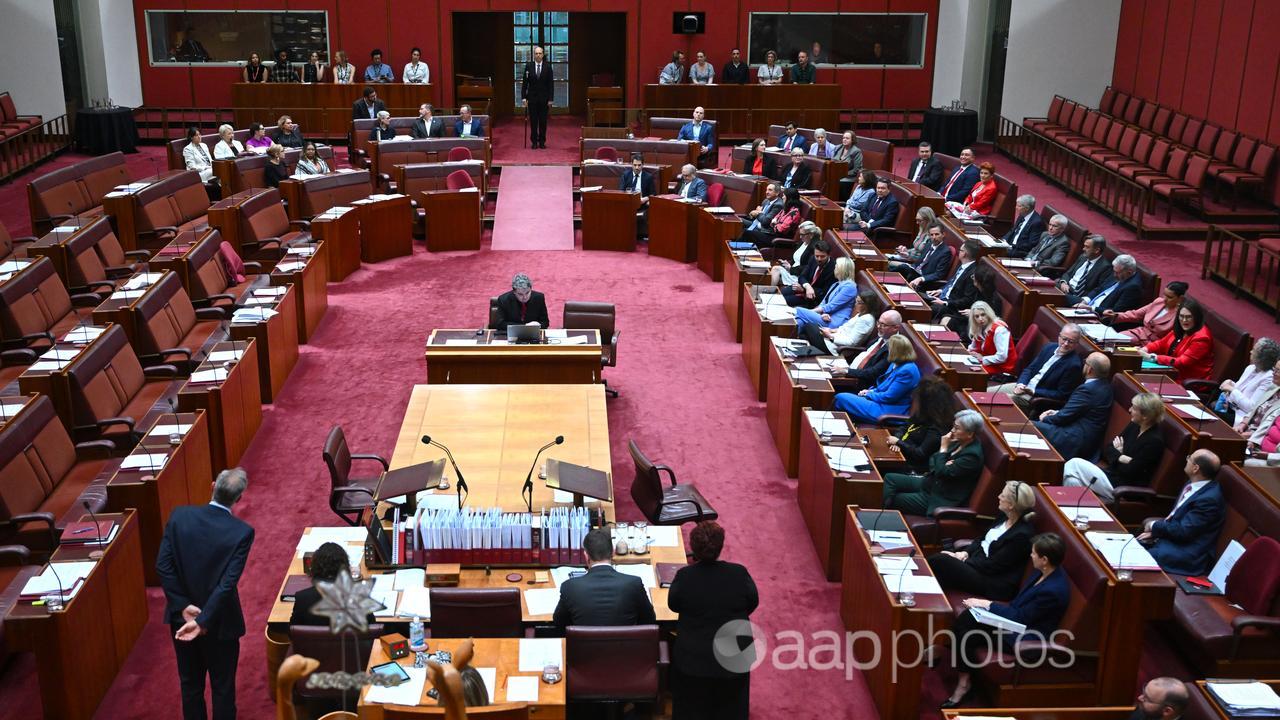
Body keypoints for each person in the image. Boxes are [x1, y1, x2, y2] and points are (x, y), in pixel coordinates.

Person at [156, 467, 255, 720]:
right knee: (222, 688)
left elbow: (163, 566)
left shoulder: (179, 516)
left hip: (182, 620)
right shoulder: (241, 532)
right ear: (239, 499)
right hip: (219, 623)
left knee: (190, 686)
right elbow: (226, 584)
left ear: (212, 486)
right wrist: (203, 620)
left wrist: (182, 607)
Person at [939, 533, 1069, 709]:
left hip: (1024, 636)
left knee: (968, 629)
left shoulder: (1053, 591)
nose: (1030, 556)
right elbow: (1018, 607)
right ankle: (964, 678)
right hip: (1015, 622)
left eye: (1033, 553)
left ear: (1044, 559)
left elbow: (1021, 617)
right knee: (967, 619)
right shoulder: (1043, 571)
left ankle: (963, 683)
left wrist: (988, 605)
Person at [668, 522, 758, 720]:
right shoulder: (739, 573)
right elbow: (752, 602)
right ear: (720, 546)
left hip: (693, 660)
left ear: (693, 548)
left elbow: (673, 605)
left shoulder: (685, 576)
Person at [929, 481, 1037, 600]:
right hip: (977, 563)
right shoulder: (1004, 516)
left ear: (1011, 505)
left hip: (991, 580)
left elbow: (993, 565)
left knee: (940, 560)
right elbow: (982, 538)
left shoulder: (1022, 535)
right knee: (941, 574)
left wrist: (964, 560)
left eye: (1002, 495)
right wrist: (965, 552)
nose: (998, 496)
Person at [1063, 393, 1166, 502]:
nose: (1130, 410)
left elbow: (1131, 471)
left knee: (1074, 463)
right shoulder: (1135, 425)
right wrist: (1121, 457)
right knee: (1072, 481)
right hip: (1111, 475)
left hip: (1124, 487)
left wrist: (1117, 456)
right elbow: (1109, 448)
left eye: (1134, 408)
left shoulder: (1154, 441)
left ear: (1145, 415)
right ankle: (1070, 512)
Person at [553, 527, 657, 633]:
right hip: (625, 648)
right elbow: (649, 620)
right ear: (613, 552)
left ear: (586, 556)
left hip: (585, 648)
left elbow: (559, 624)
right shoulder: (634, 583)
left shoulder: (569, 587)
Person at [1140, 450, 1225, 576]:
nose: (1187, 460)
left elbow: (1184, 532)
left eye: (1189, 458)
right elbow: (1176, 519)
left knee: (1135, 558)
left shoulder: (1209, 500)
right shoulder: (1193, 484)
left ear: (1196, 468)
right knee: (1129, 544)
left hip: (1186, 553)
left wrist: (1154, 526)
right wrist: (1157, 531)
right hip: (1171, 539)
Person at [882, 410, 985, 515]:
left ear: (970, 433)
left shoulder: (972, 456)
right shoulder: (958, 441)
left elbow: (942, 472)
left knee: (894, 498)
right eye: (953, 426)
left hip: (937, 497)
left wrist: (943, 449)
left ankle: (880, 518)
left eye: (957, 428)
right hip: (930, 482)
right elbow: (933, 458)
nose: (952, 430)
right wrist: (942, 463)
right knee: (889, 478)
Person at [1034, 352, 1114, 459]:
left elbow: (1064, 418)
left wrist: (1046, 418)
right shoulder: (1105, 386)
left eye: (1085, 362)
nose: (1083, 364)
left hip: (1073, 439)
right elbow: (1076, 412)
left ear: (1089, 369)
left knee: (1029, 427)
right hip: (1082, 435)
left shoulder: (1088, 389)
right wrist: (1056, 412)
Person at [832, 335, 921, 423]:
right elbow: (883, 385)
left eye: (889, 349)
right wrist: (870, 391)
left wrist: (869, 395)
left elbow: (889, 397)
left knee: (840, 398)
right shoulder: (896, 363)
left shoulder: (907, 370)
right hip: (880, 401)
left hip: (888, 409)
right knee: (841, 399)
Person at [996, 324, 1084, 412]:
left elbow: (1061, 395)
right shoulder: (1049, 347)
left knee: (996, 400)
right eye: (1064, 339)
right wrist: (1021, 384)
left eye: (1071, 342)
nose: (1065, 344)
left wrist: (1033, 391)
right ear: (1059, 336)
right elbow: (1029, 369)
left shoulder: (1074, 365)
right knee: (985, 393)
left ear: (1077, 344)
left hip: (1035, 396)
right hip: (1024, 386)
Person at [290, 542, 374, 626]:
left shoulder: (302, 599)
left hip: (316, 639)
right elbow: (372, 627)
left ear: (314, 568)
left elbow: (293, 633)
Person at [884, 378, 956, 472]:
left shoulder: (937, 429)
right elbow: (904, 426)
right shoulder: (923, 414)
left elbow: (920, 454)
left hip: (912, 467)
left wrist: (899, 443)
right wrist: (898, 441)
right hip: (899, 455)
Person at [1143, 298, 1214, 383]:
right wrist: (1145, 349)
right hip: (1170, 372)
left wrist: (1152, 357)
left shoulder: (1202, 338)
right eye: (1181, 316)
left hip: (1186, 379)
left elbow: (1182, 362)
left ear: (1197, 317)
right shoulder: (1181, 328)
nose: (1184, 320)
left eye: (1188, 317)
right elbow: (1161, 343)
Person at [1213, 338, 1280, 424]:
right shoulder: (1251, 368)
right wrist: (1230, 383)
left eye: (1254, 350)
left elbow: (1251, 407)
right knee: (1206, 406)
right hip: (1229, 406)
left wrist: (1231, 389)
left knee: (1211, 415)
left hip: (1241, 416)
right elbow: (1240, 391)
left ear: (1262, 357)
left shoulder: (1269, 377)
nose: (1250, 352)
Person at [802, 289, 881, 355]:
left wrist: (830, 336)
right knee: (804, 335)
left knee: (809, 326)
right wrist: (831, 330)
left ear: (867, 305)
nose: (855, 304)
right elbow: (845, 328)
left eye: (859, 302)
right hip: (833, 339)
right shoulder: (861, 314)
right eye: (856, 301)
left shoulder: (866, 320)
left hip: (836, 348)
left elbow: (852, 342)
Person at [1105, 281, 1187, 344]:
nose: (1164, 299)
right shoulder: (1159, 302)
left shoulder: (1181, 315)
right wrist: (1115, 315)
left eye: (1169, 297)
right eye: (1164, 294)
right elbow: (1136, 314)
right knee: (1111, 339)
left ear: (1180, 298)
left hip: (1154, 344)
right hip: (1138, 333)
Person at [842, 311, 903, 389]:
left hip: (860, 382)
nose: (878, 326)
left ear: (895, 328)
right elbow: (866, 352)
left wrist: (846, 371)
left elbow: (873, 373)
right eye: (879, 323)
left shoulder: (894, 348)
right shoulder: (884, 335)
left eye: (883, 325)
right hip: (851, 370)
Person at [795, 257, 858, 332]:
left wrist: (811, 312)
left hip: (833, 321)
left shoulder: (849, 287)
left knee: (797, 311)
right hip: (825, 317)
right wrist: (821, 314)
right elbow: (823, 303)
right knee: (799, 321)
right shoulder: (836, 284)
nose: (834, 268)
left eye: (836, 266)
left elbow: (832, 306)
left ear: (842, 269)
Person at [926, 240, 981, 324]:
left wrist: (945, 303)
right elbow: (951, 283)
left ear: (964, 254)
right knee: (920, 296)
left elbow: (967, 299)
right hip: (942, 297)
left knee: (928, 309)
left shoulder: (972, 274)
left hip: (952, 306)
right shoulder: (962, 265)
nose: (959, 252)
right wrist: (940, 290)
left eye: (961, 250)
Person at [779, 235, 833, 308]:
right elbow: (802, 276)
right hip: (804, 288)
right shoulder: (813, 259)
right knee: (779, 294)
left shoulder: (833, 268)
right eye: (817, 256)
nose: (819, 259)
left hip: (813, 299)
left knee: (782, 301)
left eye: (822, 256)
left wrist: (803, 289)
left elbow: (824, 292)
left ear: (829, 255)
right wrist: (807, 286)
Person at [1056, 235, 1113, 303]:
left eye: (1087, 247)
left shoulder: (1105, 267)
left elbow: (1099, 288)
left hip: (1078, 296)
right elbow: (1068, 273)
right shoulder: (1082, 257)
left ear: (1097, 250)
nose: (1083, 249)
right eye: (1084, 246)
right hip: (1065, 288)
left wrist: (1085, 300)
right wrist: (1063, 283)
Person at [967, 300, 1018, 376]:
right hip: (987, 363)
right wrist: (968, 353)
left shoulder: (1000, 329)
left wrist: (983, 359)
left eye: (983, 315)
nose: (980, 319)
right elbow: (973, 347)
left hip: (1002, 368)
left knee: (969, 373)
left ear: (988, 314)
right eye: (977, 316)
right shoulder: (978, 327)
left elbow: (1002, 357)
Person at [766, 219, 818, 287]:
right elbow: (796, 259)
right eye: (800, 234)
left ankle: (769, 292)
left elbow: (808, 268)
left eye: (802, 235)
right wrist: (788, 264)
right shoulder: (803, 242)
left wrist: (791, 269)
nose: (800, 237)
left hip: (800, 277)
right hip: (792, 271)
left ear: (811, 235)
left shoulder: (814, 248)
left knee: (776, 270)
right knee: (772, 271)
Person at [900, 221, 952, 287]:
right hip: (915, 271)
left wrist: (921, 278)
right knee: (899, 267)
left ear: (943, 234)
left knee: (902, 268)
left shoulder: (945, 252)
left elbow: (939, 274)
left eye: (937, 234)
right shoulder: (928, 245)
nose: (934, 237)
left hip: (924, 280)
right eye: (931, 235)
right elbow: (920, 261)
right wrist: (908, 256)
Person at [521, 46, 553, 149]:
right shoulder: (528, 67)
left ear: (543, 55)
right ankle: (534, 141)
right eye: (536, 53)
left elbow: (551, 84)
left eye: (540, 53)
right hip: (532, 99)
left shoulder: (548, 67)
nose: (538, 55)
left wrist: (551, 99)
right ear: (534, 55)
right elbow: (525, 84)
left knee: (543, 122)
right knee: (534, 121)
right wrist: (524, 98)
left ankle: (542, 141)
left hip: (544, 99)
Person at [620, 154, 656, 238]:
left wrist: (644, 199)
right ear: (631, 164)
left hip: (642, 204)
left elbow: (653, 194)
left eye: (639, 165)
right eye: (635, 165)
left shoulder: (648, 177)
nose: (637, 168)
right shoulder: (625, 175)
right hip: (628, 203)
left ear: (643, 165)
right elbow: (621, 191)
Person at [182, 127, 219, 200]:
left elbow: (210, 160)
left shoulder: (204, 145)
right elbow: (191, 166)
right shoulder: (188, 149)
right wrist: (205, 167)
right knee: (217, 171)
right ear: (191, 137)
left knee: (221, 169)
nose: (199, 137)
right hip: (200, 172)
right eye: (196, 135)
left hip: (210, 169)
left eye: (200, 134)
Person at [834, 131, 864, 198]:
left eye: (847, 138)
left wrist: (842, 174)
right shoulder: (838, 148)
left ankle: (842, 202)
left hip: (849, 177)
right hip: (837, 175)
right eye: (843, 138)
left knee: (839, 183)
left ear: (852, 140)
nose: (844, 139)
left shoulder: (856, 151)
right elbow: (832, 161)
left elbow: (857, 169)